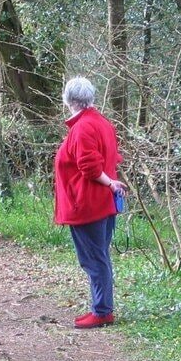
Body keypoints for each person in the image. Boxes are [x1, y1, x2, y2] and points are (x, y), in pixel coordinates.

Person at [54, 77, 127, 329]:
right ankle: (101, 307)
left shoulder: (83, 127)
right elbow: (111, 158)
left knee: (94, 259)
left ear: (68, 100)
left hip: (88, 204)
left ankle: (102, 311)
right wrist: (111, 183)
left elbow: (90, 167)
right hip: (102, 204)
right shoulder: (102, 123)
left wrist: (110, 183)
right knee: (99, 257)